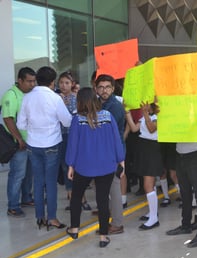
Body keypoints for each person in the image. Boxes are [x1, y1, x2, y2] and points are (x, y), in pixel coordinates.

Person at [65, 87, 125, 248]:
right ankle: (104, 236)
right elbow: (116, 140)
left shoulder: (77, 119)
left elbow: (73, 145)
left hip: (84, 166)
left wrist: (70, 164)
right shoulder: (108, 116)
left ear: (80, 102)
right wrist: (121, 160)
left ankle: (74, 228)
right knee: (103, 200)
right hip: (107, 165)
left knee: (76, 196)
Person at [17, 66, 72, 229]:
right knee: (51, 183)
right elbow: (67, 122)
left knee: (38, 182)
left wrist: (34, 129)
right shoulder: (55, 99)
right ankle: (52, 218)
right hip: (51, 145)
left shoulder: (26, 98)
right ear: (52, 82)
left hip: (33, 145)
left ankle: (40, 217)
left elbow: (20, 124)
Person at [166, 118, 197, 248]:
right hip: (180, 154)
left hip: (196, 156)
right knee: (185, 193)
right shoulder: (178, 110)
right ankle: (186, 225)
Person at [1, 67, 36, 217]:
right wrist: (19, 139)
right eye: (29, 81)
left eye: (34, 81)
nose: (32, 84)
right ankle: (13, 206)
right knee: (18, 174)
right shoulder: (11, 95)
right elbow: (8, 118)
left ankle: (26, 198)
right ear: (20, 80)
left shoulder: (30, 94)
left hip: (32, 142)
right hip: (18, 144)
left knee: (29, 173)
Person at [95, 74, 126, 234]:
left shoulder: (114, 106)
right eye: (101, 87)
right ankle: (105, 214)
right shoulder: (100, 103)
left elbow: (104, 130)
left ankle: (117, 223)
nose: (104, 90)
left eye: (107, 87)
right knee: (104, 187)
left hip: (113, 152)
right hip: (102, 151)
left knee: (114, 188)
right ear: (96, 89)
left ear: (113, 88)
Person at [125, 102, 163, 230]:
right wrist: (127, 113)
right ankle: (152, 213)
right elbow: (135, 129)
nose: (143, 105)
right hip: (144, 149)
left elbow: (152, 129)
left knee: (148, 185)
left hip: (152, 150)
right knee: (149, 185)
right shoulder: (145, 116)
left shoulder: (158, 116)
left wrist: (146, 114)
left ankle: (154, 218)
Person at [57, 71, 91, 211]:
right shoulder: (54, 98)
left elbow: (80, 117)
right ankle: (72, 198)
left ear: (72, 84)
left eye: (67, 83)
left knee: (76, 167)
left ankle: (81, 197)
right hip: (59, 137)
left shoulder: (77, 99)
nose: (64, 86)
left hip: (74, 137)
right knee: (65, 168)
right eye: (61, 83)